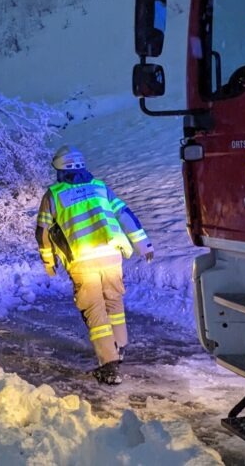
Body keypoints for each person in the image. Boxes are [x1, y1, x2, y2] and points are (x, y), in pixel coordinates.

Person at [35, 146, 153, 385]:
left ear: (59, 169)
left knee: (94, 309)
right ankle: (119, 349)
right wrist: (144, 245)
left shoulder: (54, 195)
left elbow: (43, 232)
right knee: (114, 301)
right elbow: (125, 215)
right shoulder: (100, 187)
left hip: (83, 259)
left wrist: (49, 261)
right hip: (111, 256)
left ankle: (108, 366)